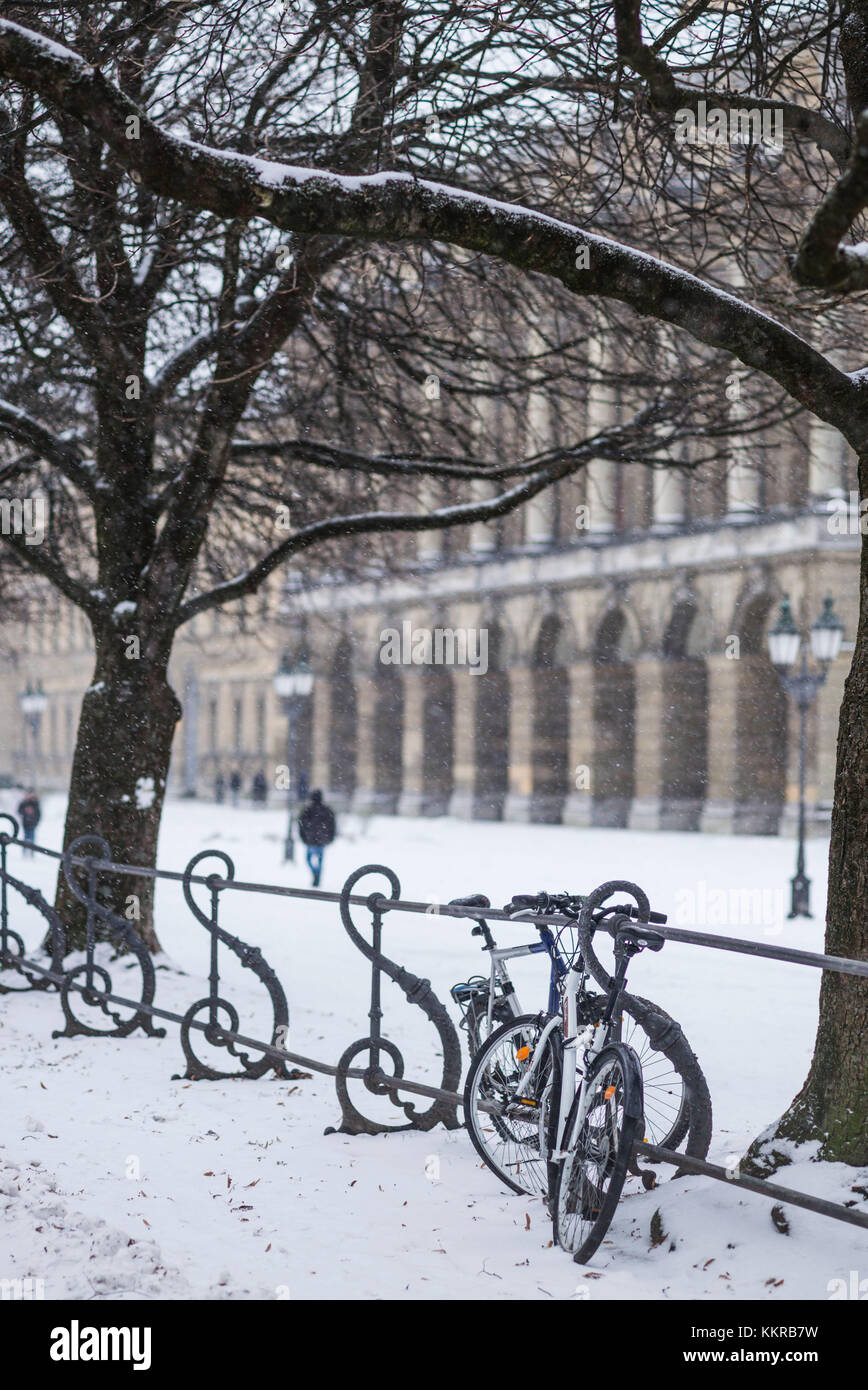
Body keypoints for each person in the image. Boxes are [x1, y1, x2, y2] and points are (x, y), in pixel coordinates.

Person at [297, 789, 336, 887]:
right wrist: (330, 837)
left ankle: (315, 874)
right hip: (322, 840)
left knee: (308, 859)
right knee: (319, 860)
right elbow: (332, 825)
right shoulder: (327, 810)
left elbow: (301, 824)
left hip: (310, 840)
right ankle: (317, 875)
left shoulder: (307, 810)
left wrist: (303, 836)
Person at [17, 790, 41, 856]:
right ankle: (24, 852)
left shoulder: (35, 803)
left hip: (32, 824)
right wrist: (25, 811)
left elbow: (38, 814)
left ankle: (32, 852)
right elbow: (19, 811)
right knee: (25, 838)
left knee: (32, 838)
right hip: (26, 823)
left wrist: (36, 822)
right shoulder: (24, 803)